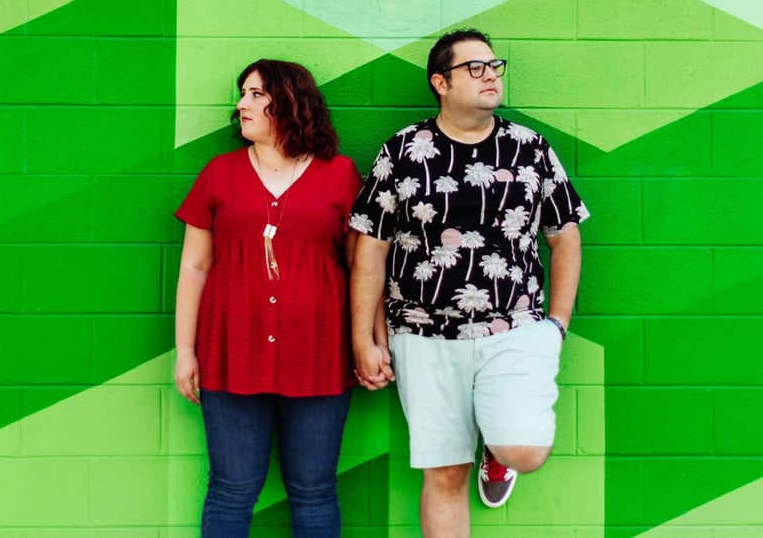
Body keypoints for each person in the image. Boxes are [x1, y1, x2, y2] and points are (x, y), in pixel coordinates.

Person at [349, 29, 589, 537]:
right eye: (474, 67)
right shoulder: (404, 151)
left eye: (494, 66)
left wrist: (557, 325)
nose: (490, 75)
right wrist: (364, 338)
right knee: (444, 473)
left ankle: (499, 451)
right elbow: (371, 247)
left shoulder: (530, 149)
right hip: (421, 333)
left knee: (524, 450)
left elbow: (564, 236)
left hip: (516, 327)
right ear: (441, 82)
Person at [174, 59, 364, 538]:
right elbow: (195, 266)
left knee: (314, 489)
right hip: (230, 353)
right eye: (242, 94)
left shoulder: (339, 174)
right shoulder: (219, 173)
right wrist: (184, 351)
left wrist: (369, 342)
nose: (241, 104)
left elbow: (362, 268)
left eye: (256, 94)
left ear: (291, 101)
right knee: (231, 490)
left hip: (319, 354)